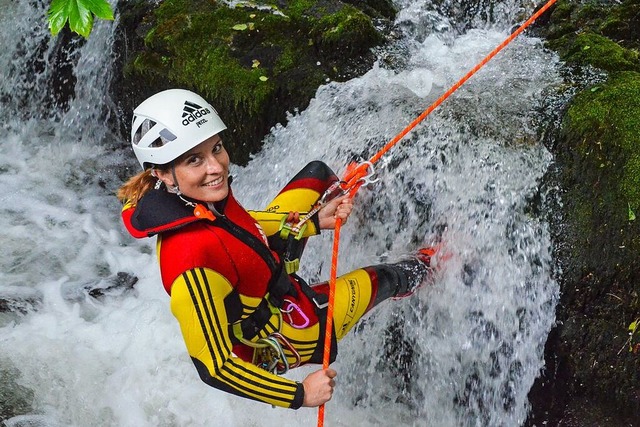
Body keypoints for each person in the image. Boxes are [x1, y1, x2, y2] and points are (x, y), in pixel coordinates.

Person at [117, 89, 436, 409]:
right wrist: (299, 394)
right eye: (194, 160)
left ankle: (359, 208)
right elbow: (213, 367)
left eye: (216, 148)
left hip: (261, 272)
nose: (216, 168)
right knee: (389, 276)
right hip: (279, 333)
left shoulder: (194, 198)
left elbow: (236, 227)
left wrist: (311, 222)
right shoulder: (190, 263)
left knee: (319, 173)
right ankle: (436, 263)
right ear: (160, 173)